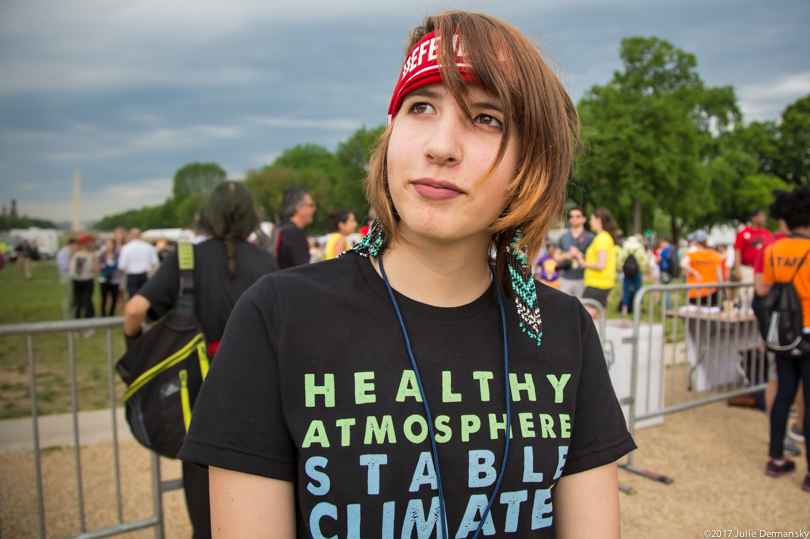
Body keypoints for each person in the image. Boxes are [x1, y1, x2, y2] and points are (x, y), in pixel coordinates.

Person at [178, 11, 635, 538]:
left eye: (487, 118)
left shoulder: (563, 329)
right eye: (421, 107)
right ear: (390, 137)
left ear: (530, 164)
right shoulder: (279, 318)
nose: (441, 146)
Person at [123, 181, 278, 538]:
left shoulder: (185, 257)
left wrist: (135, 343)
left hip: (198, 390)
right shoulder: (267, 261)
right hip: (257, 385)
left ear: (208, 214)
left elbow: (135, 309)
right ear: (249, 217)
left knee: (202, 487)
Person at [758, 185, 810, 492]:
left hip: (785, 333)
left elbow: (763, 289)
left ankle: (775, 457)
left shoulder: (774, 249)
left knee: (783, 393)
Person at [576, 207, 618, 320]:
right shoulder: (606, 237)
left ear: (598, 220)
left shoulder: (601, 239)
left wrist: (584, 263)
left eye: (592, 219)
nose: (590, 222)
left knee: (586, 322)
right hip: (603, 284)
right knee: (598, 323)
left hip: (596, 285)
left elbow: (601, 264)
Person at [555, 206, 594, 297]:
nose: (574, 219)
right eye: (571, 216)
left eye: (577, 216)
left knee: (582, 307)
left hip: (583, 278)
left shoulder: (590, 237)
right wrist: (566, 255)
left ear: (584, 219)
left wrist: (578, 254)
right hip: (566, 278)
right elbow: (556, 256)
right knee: (564, 306)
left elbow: (595, 260)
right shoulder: (563, 237)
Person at [274, 186, 316, 269]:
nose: (314, 209)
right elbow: (304, 271)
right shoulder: (295, 234)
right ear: (299, 209)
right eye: (311, 205)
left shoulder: (280, 228)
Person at [679, 230, 723, 307]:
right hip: (711, 289)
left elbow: (683, 264)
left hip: (695, 289)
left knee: (694, 316)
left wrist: (694, 272)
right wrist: (722, 289)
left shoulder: (692, 254)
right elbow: (719, 275)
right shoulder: (715, 255)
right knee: (710, 315)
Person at [734, 209, 772, 284]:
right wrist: (737, 270)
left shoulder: (766, 233)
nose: (764, 218)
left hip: (763, 269)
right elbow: (737, 253)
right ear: (753, 218)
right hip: (747, 268)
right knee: (747, 293)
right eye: (761, 216)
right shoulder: (743, 233)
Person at [118, 228, 158, 298]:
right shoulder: (148, 247)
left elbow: (121, 266)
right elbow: (155, 263)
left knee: (133, 297)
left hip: (132, 276)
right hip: (144, 275)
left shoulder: (126, 248)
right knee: (144, 297)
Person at [69, 234, 97, 334]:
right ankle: (88, 327)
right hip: (87, 280)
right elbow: (95, 269)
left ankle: (77, 327)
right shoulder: (91, 254)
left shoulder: (74, 254)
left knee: (78, 304)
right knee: (87, 302)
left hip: (76, 281)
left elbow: (70, 268)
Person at [617, 235, 648, 316]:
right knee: (638, 291)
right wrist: (640, 268)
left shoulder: (625, 250)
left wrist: (623, 269)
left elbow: (619, 260)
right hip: (637, 273)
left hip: (626, 273)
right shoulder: (639, 250)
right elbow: (644, 260)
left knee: (626, 291)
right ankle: (639, 310)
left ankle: (624, 310)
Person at [56, 239, 78, 319]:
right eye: (75, 246)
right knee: (68, 299)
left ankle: (70, 316)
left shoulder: (66, 252)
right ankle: (67, 318)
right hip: (66, 278)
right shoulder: (64, 253)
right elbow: (65, 267)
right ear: (71, 245)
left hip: (68, 277)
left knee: (72, 299)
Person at [98, 238, 120, 317]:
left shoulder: (117, 255)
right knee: (104, 298)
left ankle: (111, 314)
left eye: (110, 245)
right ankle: (103, 315)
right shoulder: (101, 256)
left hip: (115, 280)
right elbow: (98, 267)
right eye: (107, 245)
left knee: (114, 298)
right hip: (104, 279)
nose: (109, 246)